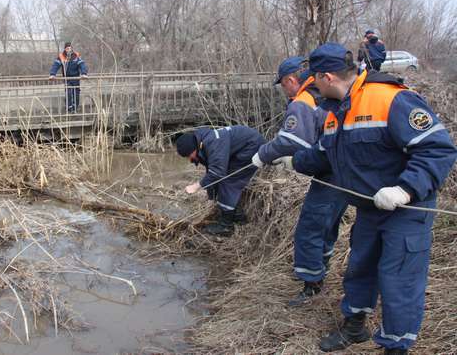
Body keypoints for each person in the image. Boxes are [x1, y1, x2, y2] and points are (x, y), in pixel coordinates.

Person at [278, 42, 456, 354]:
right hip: (370, 209)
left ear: (327, 77)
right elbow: (323, 155)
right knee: (360, 268)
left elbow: (437, 148)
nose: (311, 86)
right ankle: (355, 326)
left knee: (398, 281)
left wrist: (405, 189)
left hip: (405, 209)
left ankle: (395, 347)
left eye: (313, 79)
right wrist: (295, 161)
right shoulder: (336, 113)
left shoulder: (392, 99)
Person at [251, 56, 347, 306]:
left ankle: (311, 285)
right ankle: (320, 270)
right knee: (328, 225)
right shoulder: (325, 96)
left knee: (309, 229)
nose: (285, 91)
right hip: (345, 170)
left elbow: (289, 141)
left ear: (291, 80)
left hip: (329, 174)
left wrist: (263, 155)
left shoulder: (302, 101)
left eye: (283, 85)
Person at [176, 125, 266, 236]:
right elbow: (211, 168)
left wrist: (196, 186)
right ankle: (237, 216)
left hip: (252, 148)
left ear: (193, 149)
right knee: (223, 178)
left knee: (228, 181)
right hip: (244, 148)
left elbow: (217, 172)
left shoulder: (212, 143)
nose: (190, 159)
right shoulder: (202, 141)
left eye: (188, 155)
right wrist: (211, 193)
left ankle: (226, 226)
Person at [49, 42, 88, 113]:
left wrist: (84, 73)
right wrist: (52, 74)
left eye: (70, 48)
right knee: (68, 93)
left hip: (76, 78)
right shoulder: (62, 56)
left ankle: (75, 108)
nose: (69, 50)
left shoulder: (76, 55)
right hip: (67, 79)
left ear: (72, 48)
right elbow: (55, 65)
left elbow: (82, 65)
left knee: (76, 93)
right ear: (65, 49)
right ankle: (69, 109)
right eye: (67, 48)